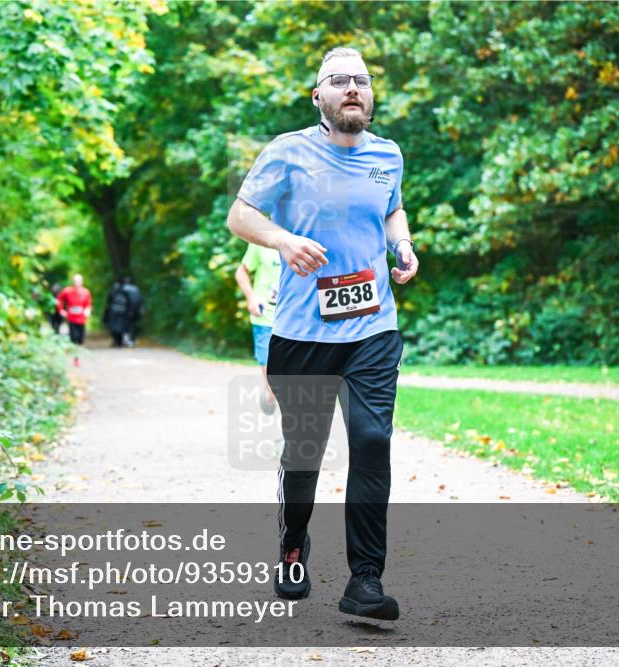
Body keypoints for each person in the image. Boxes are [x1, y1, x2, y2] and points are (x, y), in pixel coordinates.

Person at [226, 47, 418, 621]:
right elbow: (241, 217)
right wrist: (283, 241)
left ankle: (365, 578)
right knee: (305, 453)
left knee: (371, 440)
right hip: (303, 332)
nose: (352, 88)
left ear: (371, 94)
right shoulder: (288, 152)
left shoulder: (388, 154)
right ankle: (292, 545)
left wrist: (400, 245)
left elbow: (393, 210)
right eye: (339, 81)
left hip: (374, 328)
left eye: (361, 80)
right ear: (319, 96)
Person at [234, 242, 282, 414]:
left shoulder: (303, 236)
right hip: (265, 318)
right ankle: (271, 391)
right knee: (273, 378)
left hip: (292, 320)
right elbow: (241, 272)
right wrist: (251, 298)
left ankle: (290, 430)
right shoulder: (262, 241)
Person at [103, 275, 143, 347]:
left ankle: (122, 341)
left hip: (124, 311)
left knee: (121, 326)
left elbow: (110, 299)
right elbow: (139, 299)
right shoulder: (135, 289)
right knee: (130, 325)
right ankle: (129, 340)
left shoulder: (118, 288)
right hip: (130, 310)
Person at [57, 274, 91, 346]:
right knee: (73, 334)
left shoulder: (86, 292)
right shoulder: (67, 291)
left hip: (81, 316)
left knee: (81, 335)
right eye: (75, 281)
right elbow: (59, 299)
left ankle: (80, 346)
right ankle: (74, 347)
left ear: (82, 282)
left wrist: (88, 310)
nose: (77, 283)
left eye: (79, 281)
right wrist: (61, 310)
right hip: (71, 316)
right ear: (73, 281)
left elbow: (88, 303)